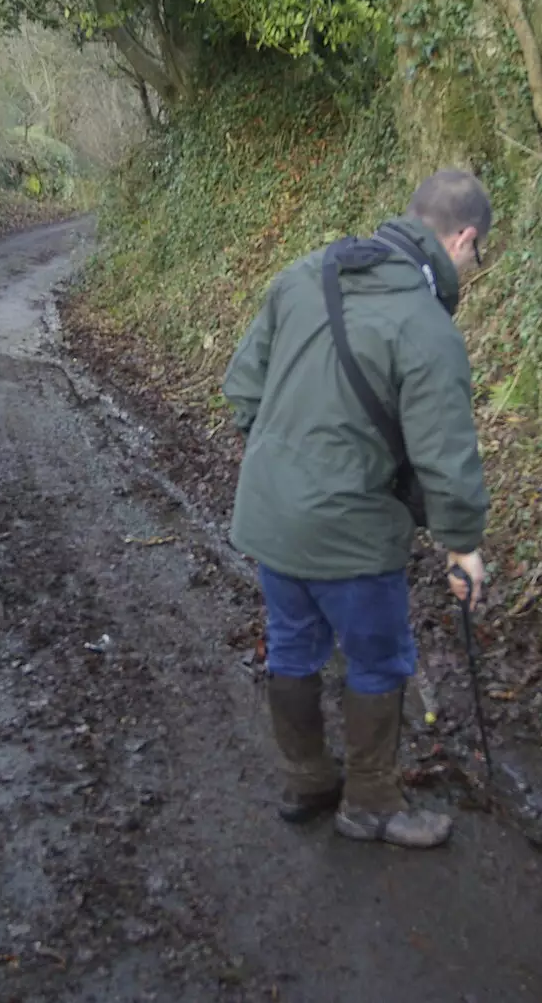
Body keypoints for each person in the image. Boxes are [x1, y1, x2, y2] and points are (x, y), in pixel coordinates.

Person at [221, 169, 492, 849]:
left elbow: (241, 388)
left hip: (270, 514)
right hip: (350, 532)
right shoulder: (426, 328)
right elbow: (445, 452)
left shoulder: (304, 274)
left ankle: (306, 778)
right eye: (478, 253)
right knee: (380, 659)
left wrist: (288, 464)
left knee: (292, 643)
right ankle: (370, 802)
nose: (473, 266)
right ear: (462, 238)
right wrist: (463, 548)